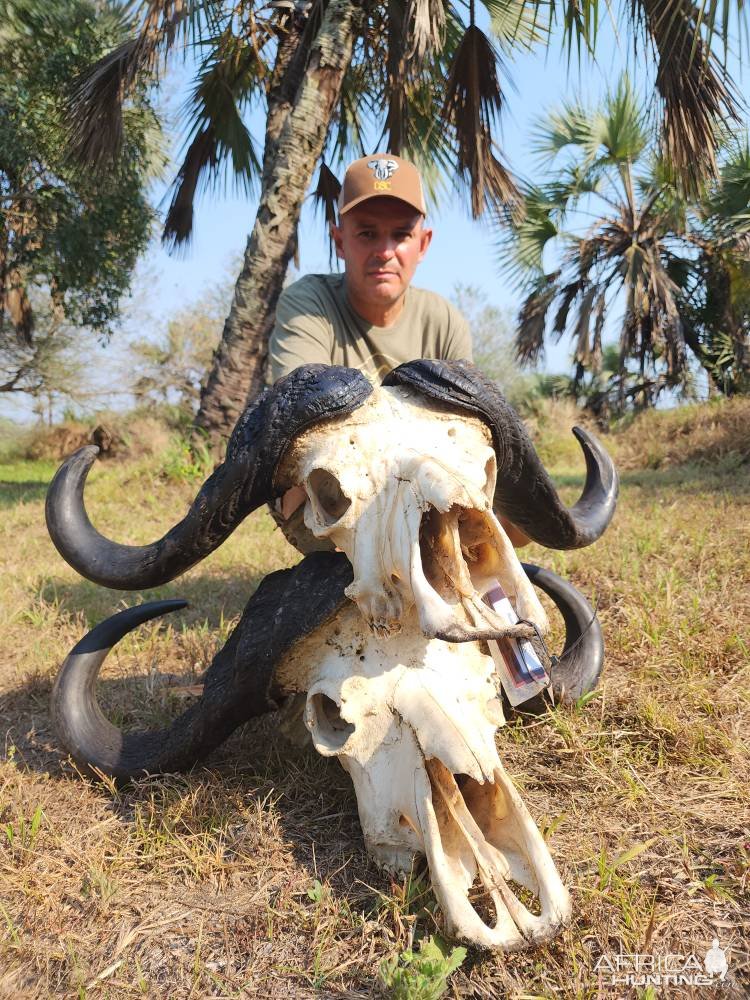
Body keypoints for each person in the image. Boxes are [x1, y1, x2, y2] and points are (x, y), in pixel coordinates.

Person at [267, 152, 475, 552]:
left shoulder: (445, 321)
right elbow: (301, 423)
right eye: (366, 234)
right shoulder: (307, 303)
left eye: (400, 235)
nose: (385, 250)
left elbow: (463, 439)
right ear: (339, 241)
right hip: (333, 495)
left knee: (505, 515)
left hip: (428, 494)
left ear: (423, 244)